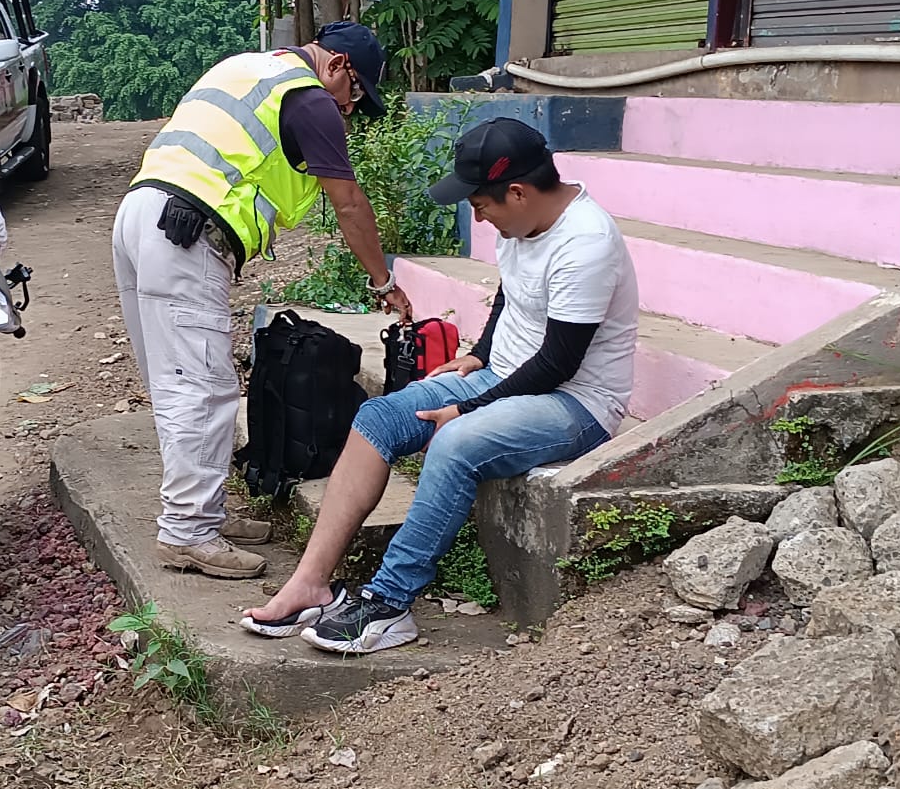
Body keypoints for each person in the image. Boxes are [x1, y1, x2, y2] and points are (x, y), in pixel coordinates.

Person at [242, 117, 640, 652]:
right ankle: (309, 583)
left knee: (454, 444)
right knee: (379, 418)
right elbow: (511, 295)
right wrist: (478, 355)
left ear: (517, 192)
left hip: (574, 404)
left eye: (480, 204)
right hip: (505, 378)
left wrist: (470, 408)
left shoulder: (586, 244)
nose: (477, 216)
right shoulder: (523, 225)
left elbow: (557, 364)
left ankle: (388, 604)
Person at [112, 22, 414, 581]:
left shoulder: (248, 67)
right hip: (186, 232)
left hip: (141, 216)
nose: (348, 111)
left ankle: (201, 514)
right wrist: (382, 282)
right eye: (355, 96)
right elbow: (348, 204)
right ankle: (187, 533)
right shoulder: (310, 100)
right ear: (340, 65)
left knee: (177, 380)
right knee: (202, 387)